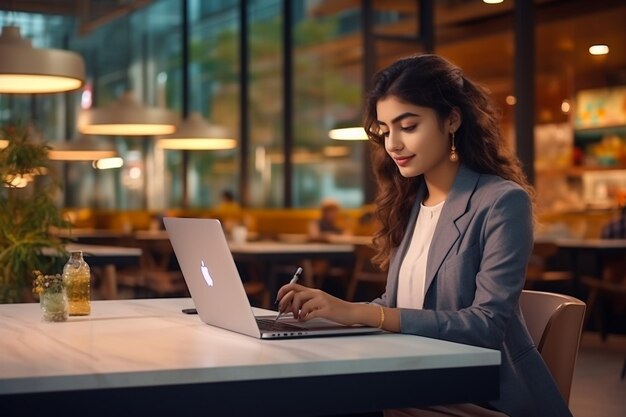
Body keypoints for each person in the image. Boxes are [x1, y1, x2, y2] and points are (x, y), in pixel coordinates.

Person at [276, 54, 572, 417]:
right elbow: (406, 303)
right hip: (418, 374)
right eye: (385, 130)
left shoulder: (502, 201)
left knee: (320, 397)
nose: (393, 144)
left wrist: (360, 313)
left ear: (452, 120)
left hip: (479, 395)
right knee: (302, 388)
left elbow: (486, 326)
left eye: (408, 126)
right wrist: (332, 311)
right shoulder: (412, 201)